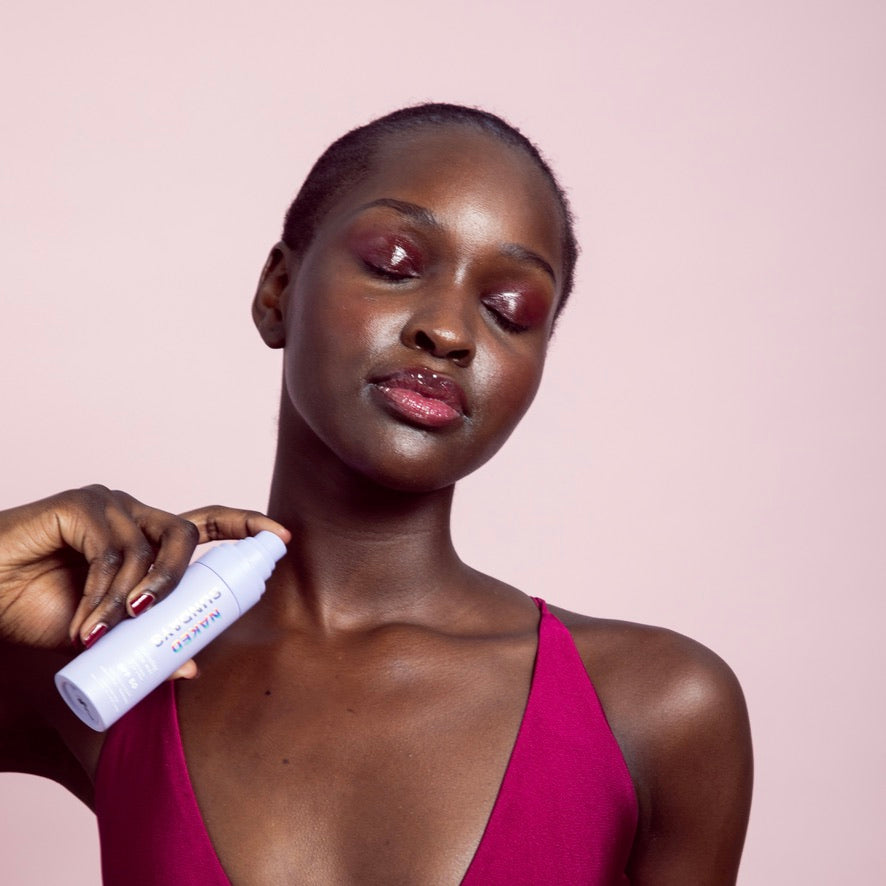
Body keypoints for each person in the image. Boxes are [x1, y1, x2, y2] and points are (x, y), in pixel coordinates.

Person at [0, 104, 752, 884]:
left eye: (510, 311)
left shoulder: (656, 707)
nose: (449, 332)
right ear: (278, 291)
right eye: (395, 264)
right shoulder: (115, 665)